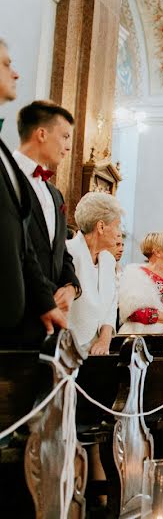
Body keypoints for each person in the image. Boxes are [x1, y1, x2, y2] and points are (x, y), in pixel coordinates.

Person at [0, 39, 66, 346]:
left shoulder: (5, 159)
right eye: (6, 64)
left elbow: (21, 245)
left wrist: (48, 302)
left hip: (28, 318)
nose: (15, 74)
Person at [14, 100, 81, 340]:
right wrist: (43, 300)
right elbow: (16, 247)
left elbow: (61, 250)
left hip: (51, 316)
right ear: (41, 133)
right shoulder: (7, 177)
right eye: (64, 136)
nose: (68, 146)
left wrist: (71, 286)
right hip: (16, 308)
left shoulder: (55, 193)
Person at [66, 192, 122, 354]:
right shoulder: (68, 253)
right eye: (117, 225)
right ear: (101, 226)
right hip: (68, 345)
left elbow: (112, 303)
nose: (119, 232)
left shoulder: (108, 260)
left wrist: (104, 340)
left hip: (99, 348)